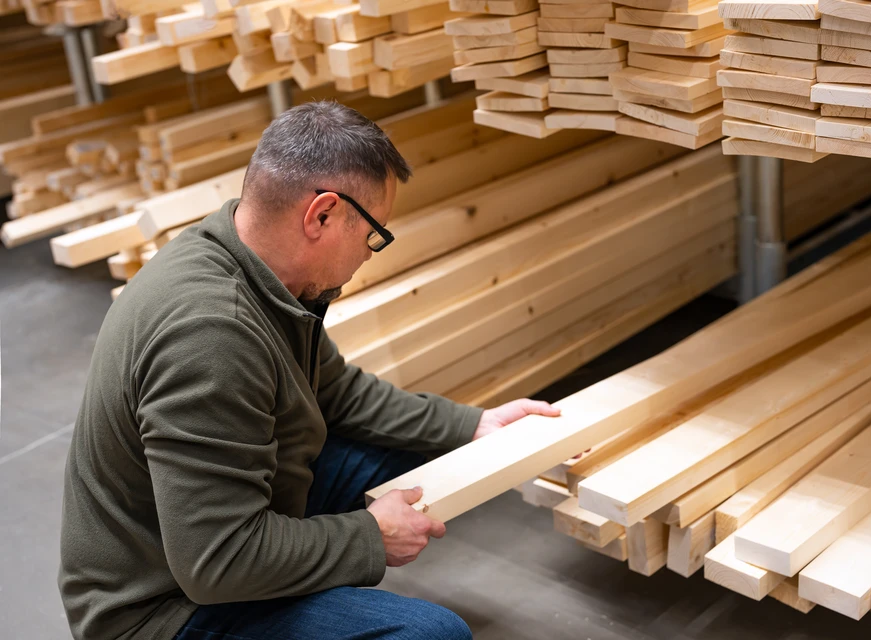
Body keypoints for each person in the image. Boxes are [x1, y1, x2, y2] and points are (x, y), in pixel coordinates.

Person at [59, 100, 561, 640]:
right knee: (431, 636)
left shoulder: (255, 264)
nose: (372, 253)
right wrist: (369, 536)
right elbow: (217, 561)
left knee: (406, 460)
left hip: (201, 544)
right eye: (374, 234)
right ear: (321, 214)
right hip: (160, 610)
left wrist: (472, 427)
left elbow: (339, 394)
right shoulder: (212, 335)